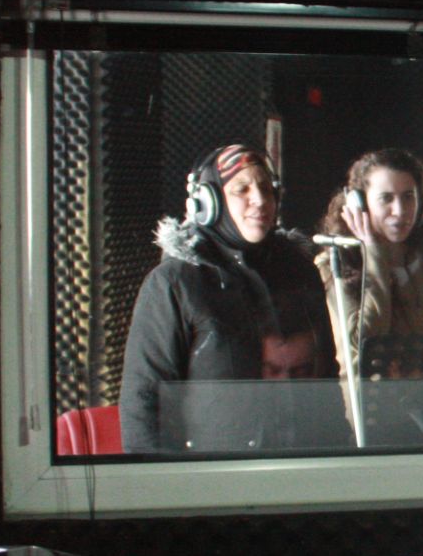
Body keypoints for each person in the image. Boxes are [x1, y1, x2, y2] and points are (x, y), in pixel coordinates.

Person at [118, 144, 329, 452]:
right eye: (242, 189)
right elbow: (144, 401)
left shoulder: (300, 271)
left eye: (267, 189)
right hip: (213, 480)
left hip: (300, 467)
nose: (260, 200)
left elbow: (325, 378)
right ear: (209, 202)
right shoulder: (174, 282)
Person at [316, 148, 423, 377]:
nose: (400, 210)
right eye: (386, 198)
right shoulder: (334, 264)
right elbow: (360, 344)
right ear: (360, 205)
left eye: (408, 197)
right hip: (368, 406)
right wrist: (374, 254)